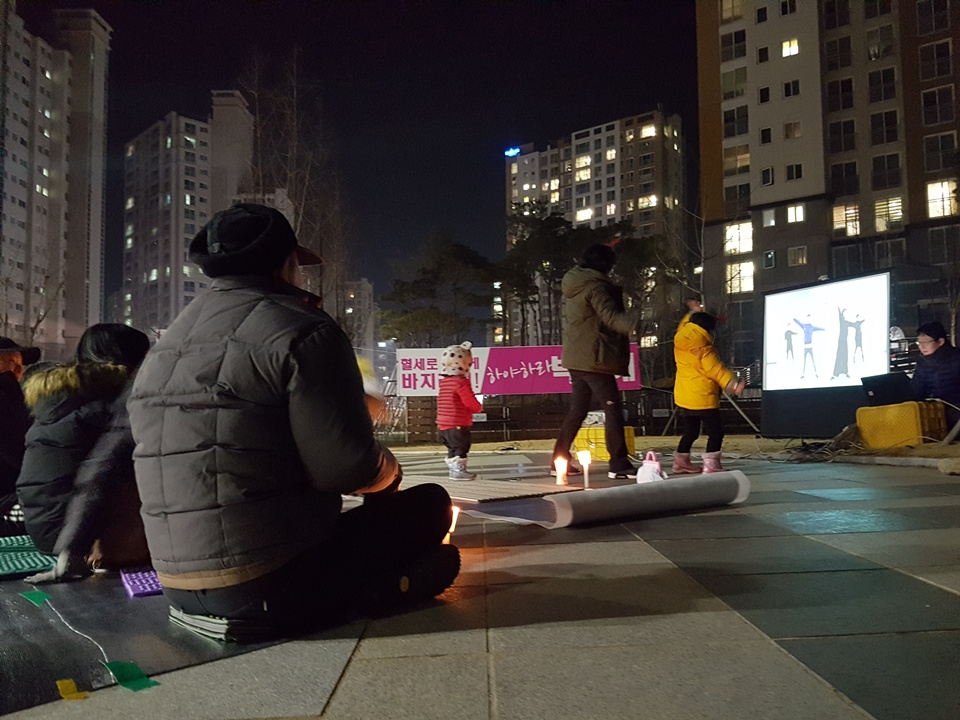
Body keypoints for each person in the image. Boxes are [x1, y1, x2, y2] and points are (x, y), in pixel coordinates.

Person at [126, 203, 459, 635]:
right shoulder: (303, 329)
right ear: (288, 264)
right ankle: (364, 594)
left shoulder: (167, 345)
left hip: (172, 580)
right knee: (431, 506)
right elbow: (346, 468)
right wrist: (387, 471)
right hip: (269, 580)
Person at [17, 324, 150, 562]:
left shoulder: (62, 396)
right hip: (86, 537)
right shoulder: (114, 399)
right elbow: (106, 472)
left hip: (43, 529)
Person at [552, 243, 639, 480]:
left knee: (577, 410)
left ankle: (559, 458)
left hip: (577, 359)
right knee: (613, 410)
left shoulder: (575, 283)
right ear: (605, 265)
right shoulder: (596, 287)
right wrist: (635, 324)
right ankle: (619, 463)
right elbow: (610, 317)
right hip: (595, 359)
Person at [672, 311, 745, 474]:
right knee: (716, 432)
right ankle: (711, 465)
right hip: (702, 397)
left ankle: (680, 463)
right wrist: (733, 384)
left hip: (684, 396)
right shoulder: (703, 348)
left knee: (690, 432)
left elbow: (684, 324)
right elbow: (715, 370)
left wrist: (691, 311)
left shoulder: (680, 339)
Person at [0, 338, 39, 517]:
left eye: (18, 362)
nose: (18, 369)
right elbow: (19, 452)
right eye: (10, 360)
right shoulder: (7, 399)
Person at [436, 341, 483, 480]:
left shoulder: (445, 382)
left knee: (453, 448)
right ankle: (459, 471)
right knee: (461, 447)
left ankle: (454, 471)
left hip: (444, 423)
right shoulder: (461, 382)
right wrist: (478, 407)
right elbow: (468, 400)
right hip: (457, 421)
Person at [910, 321, 960, 431]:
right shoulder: (922, 363)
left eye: (926, 342)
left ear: (940, 341)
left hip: (955, 409)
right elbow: (916, 389)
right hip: (933, 409)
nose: (922, 347)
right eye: (919, 343)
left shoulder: (957, 357)